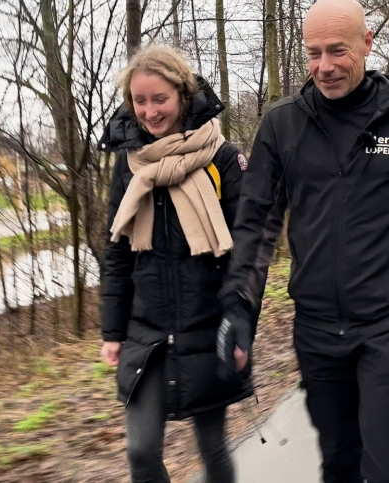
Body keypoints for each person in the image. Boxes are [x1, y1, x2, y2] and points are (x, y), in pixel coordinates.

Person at [216, 0, 389, 483]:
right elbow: (256, 222)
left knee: (386, 468)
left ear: (367, 43)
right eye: (313, 53)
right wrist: (239, 307)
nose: (324, 66)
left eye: (337, 51)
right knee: (338, 462)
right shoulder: (283, 124)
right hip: (317, 329)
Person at [99, 46, 251, 483]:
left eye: (159, 99)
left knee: (212, 448)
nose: (149, 111)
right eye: (139, 101)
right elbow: (117, 251)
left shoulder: (222, 157)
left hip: (208, 323)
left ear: (183, 95)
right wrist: (112, 331)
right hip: (145, 331)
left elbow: (246, 246)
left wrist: (239, 318)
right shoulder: (129, 165)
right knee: (141, 451)